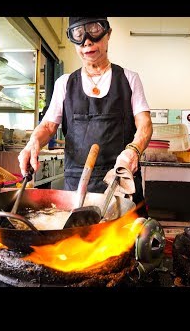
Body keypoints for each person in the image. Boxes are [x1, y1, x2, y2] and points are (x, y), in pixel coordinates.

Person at [18, 17, 153, 216]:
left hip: (120, 182)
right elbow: (48, 126)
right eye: (79, 35)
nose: (87, 41)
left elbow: (145, 125)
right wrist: (33, 141)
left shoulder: (129, 79)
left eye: (94, 31)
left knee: (127, 243)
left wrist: (134, 150)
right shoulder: (64, 83)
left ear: (108, 34)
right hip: (77, 187)